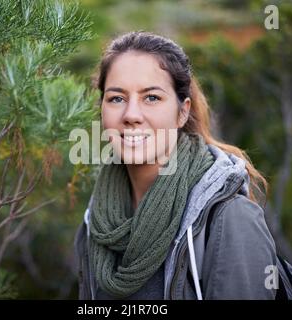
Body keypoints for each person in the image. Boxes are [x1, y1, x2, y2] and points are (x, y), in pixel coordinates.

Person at [74, 31, 277, 300]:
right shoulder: (97, 222)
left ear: (182, 111)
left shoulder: (229, 219)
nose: (131, 115)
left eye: (152, 98)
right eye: (116, 98)